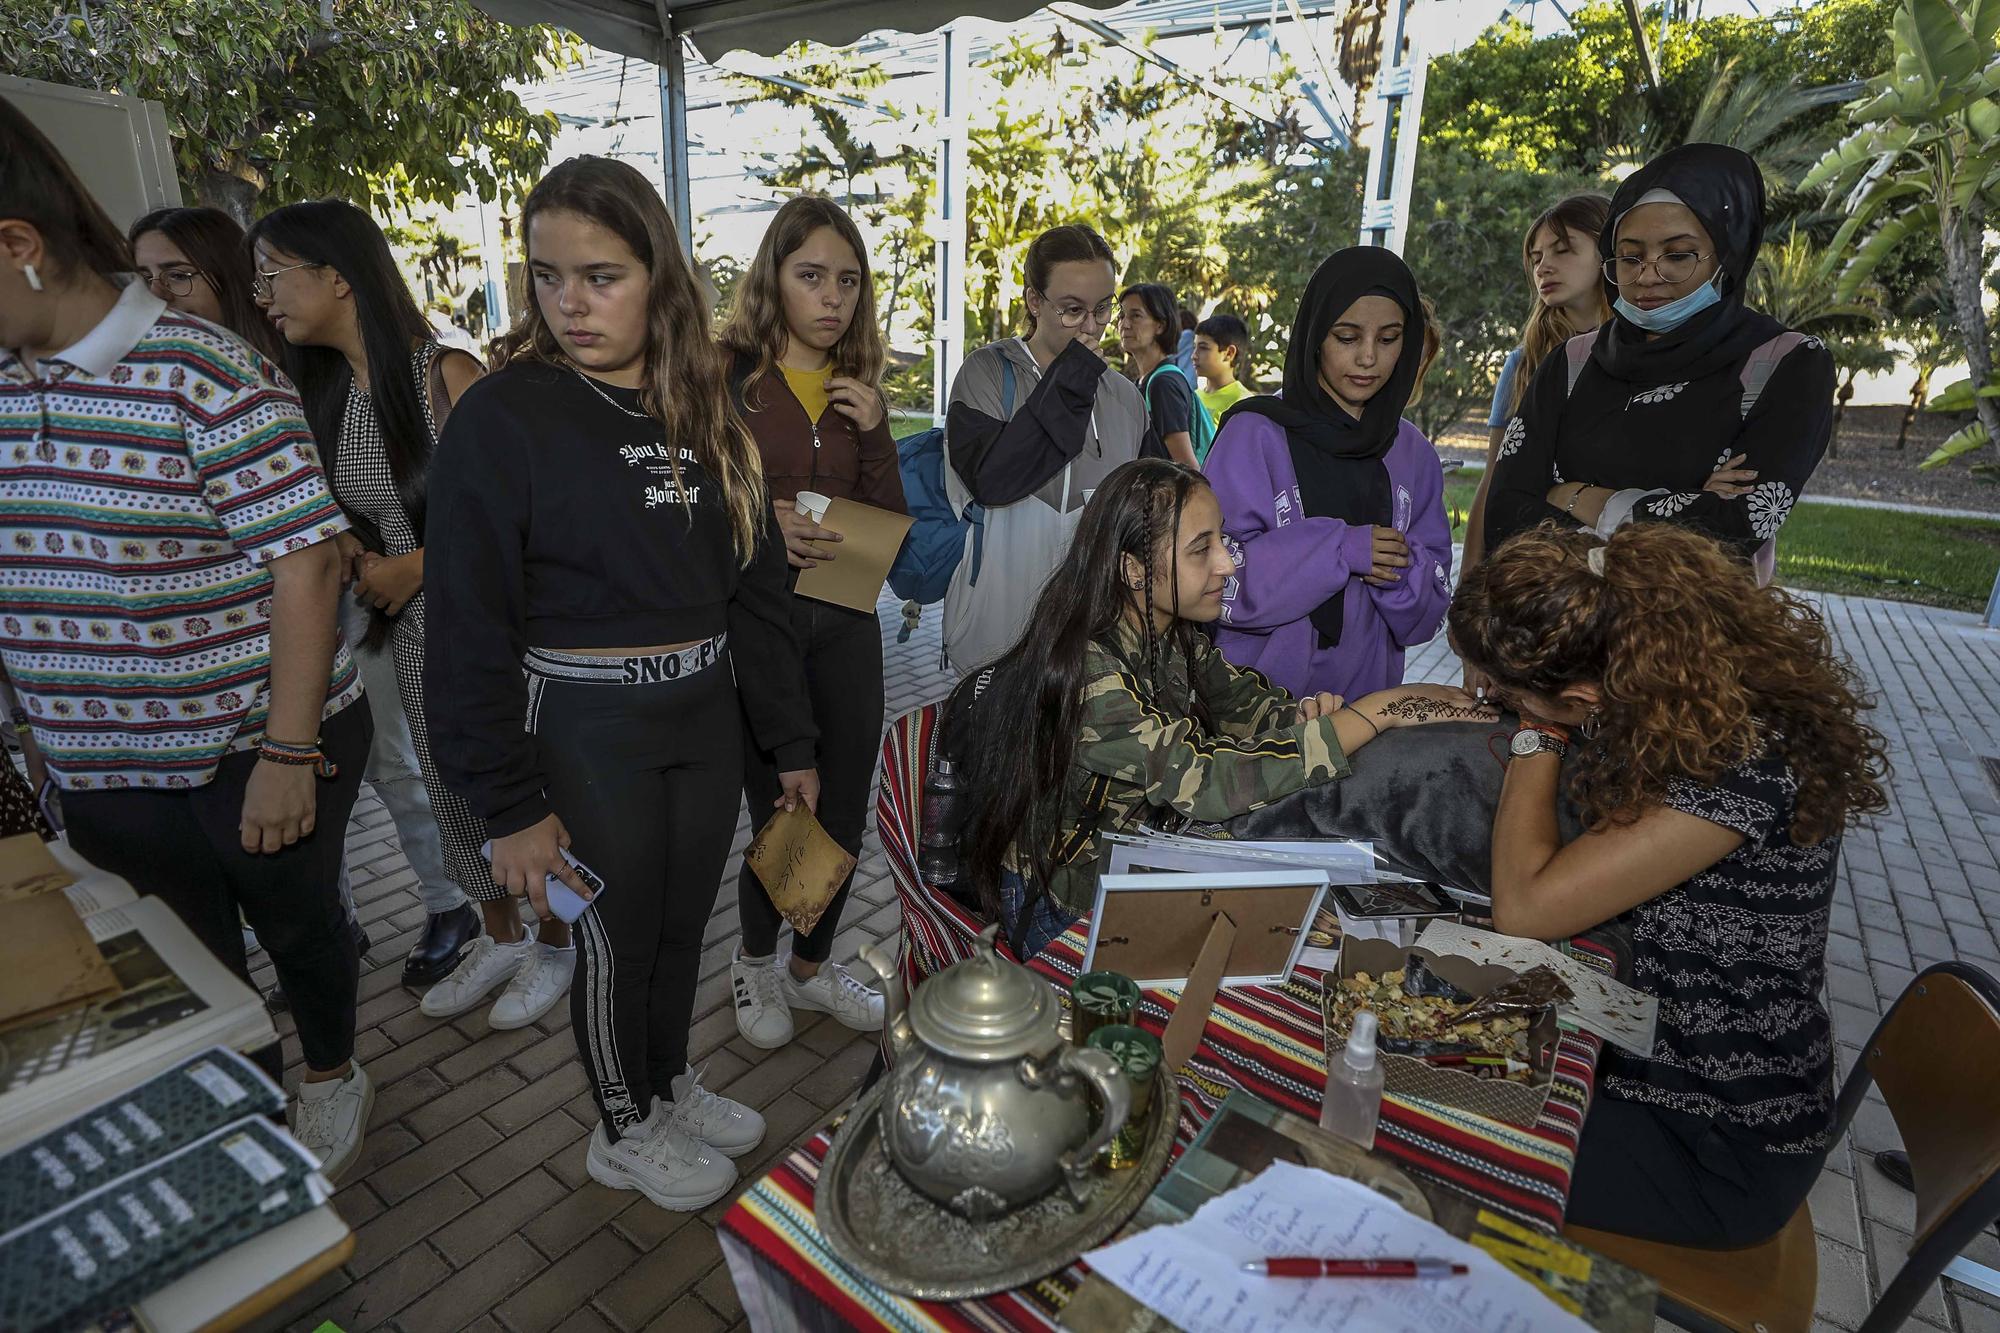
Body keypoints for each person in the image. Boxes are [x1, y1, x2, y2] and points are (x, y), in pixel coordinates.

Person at [425, 155, 818, 1212]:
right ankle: (623, 1125)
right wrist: (505, 804)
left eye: (599, 275)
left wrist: (789, 747)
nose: (569, 303)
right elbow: (462, 625)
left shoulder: (707, 405)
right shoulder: (503, 417)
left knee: (678, 924)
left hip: (700, 711)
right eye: (547, 276)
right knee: (612, 933)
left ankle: (666, 1082)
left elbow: (757, 589)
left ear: (659, 274)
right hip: (582, 722)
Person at [0, 97, 373, 1175]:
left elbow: (305, 562)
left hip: (251, 748)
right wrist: (33, 718)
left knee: (300, 934)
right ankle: (243, 1119)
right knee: (189, 963)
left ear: (17, 246)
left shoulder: (203, 371)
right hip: (104, 764)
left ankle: (331, 1074)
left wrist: (288, 753)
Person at [1449, 522, 1888, 1247]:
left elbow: (1526, 906)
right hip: (1655, 1063)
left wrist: (1538, 729)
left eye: (1505, 687)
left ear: (1585, 690)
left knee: (1419, 1131)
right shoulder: (1688, 697)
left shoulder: (1741, 761)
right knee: (1418, 1045)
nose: (1488, 693)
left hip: (1714, 1143)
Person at [946, 459, 1493, 957]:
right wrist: (1377, 711)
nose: (1229, 563)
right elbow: (1203, 782)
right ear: (1134, 570)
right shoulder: (1088, 673)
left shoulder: (1174, 637)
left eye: (1223, 541)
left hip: (1132, 858)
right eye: (1200, 549)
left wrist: (1319, 720)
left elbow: (1256, 710)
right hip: (1060, 903)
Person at [247, 201, 528, 1006]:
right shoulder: (324, 390)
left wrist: (419, 567)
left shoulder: (445, 375)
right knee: (451, 793)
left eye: (274, 274)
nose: (264, 294)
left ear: (337, 276)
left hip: (483, 628)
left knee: (515, 789)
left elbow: (522, 522)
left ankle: (557, 942)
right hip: (406, 635)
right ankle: (503, 939)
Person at [717, 196, 902, 1048]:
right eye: (812, 276)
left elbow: (887, 531)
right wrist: (760, 522)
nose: (833, 298)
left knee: (845, 808)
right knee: (784, 810)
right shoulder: (727, 380)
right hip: (762, 633)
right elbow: (687, 513)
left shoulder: (856, 391)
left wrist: (877, 435)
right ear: (774, 279)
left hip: (847, 625)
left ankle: (809, 967)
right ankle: (755, 962)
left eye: (849, 282)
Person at [1482, 145, 1834, 567]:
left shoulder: (1787, 363)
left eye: (1678, 255)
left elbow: (1734, 528)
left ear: (1728, 254)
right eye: (1630, 257)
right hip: (1560, 625)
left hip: (1697, 629)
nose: (1648, 275)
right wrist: (1683, 503)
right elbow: (1505, 511)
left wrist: (1572, 496)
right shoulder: (1572, 361)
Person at [1205, 247, 1453, 702]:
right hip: (1255, 717)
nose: (1367, 358)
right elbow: (1211, 580)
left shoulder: (1414, 454)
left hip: (1366, 717)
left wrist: (1399, 573)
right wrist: (1339, 549)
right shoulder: (1254, 435)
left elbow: (1429, 613)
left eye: (1389, 338)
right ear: (1316, 334)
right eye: (1347, 336)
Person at [941, 223, 1154, 674]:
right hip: (993, 633)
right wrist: (1074, 378)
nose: (1092, 327)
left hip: (1090, 641)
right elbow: (996, 480)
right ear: (1034, 301)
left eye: (1102, 309)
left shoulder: (1126, 398)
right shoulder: (985, 373)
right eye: (1073, 310)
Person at [1460, 194, 1610, 582]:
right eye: (1537, 256)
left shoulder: (1652, 354)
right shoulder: (1524, 362)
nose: (1544, 266)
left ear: (1611, 251)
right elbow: (1493, 479)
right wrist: (1470, 582)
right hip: (1533, 570)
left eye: (1563, 250)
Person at [129, 206, 283, 362]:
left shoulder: (288, 365)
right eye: (145, 279)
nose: (156, 294)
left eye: (178, 276)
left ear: (230, 275)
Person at [1119, 283, 1204, 468]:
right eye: (1121, 316)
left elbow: (1188, 467)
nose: (1124, 324)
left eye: (1136, 316)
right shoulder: (1145, 381)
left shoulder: (1164, 384)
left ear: (1160, 325)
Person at [1193, 313, 1255, 422]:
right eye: (1195, 347)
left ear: (1229, 353)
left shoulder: (1243, 404)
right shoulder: (1194, 398)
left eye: (1203, 348)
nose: (1194, 356)